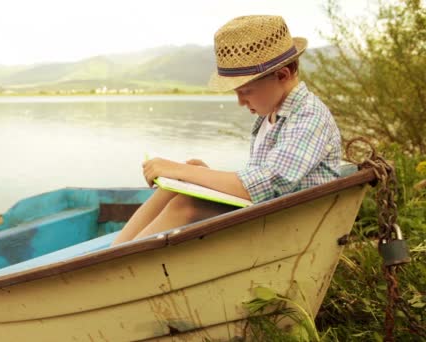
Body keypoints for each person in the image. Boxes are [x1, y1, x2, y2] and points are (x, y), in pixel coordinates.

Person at [111, 15, 341, 246]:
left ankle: (118, 266)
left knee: (187, 204)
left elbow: (267, 183)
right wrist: (190, 172)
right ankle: (115, 251)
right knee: (190, 171)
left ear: (282, 75)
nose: (240, 101)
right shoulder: (270, 114)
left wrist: (178, 170)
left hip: (293, 226)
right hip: (268, 213)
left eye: (246, 91)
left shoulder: (309, 115)